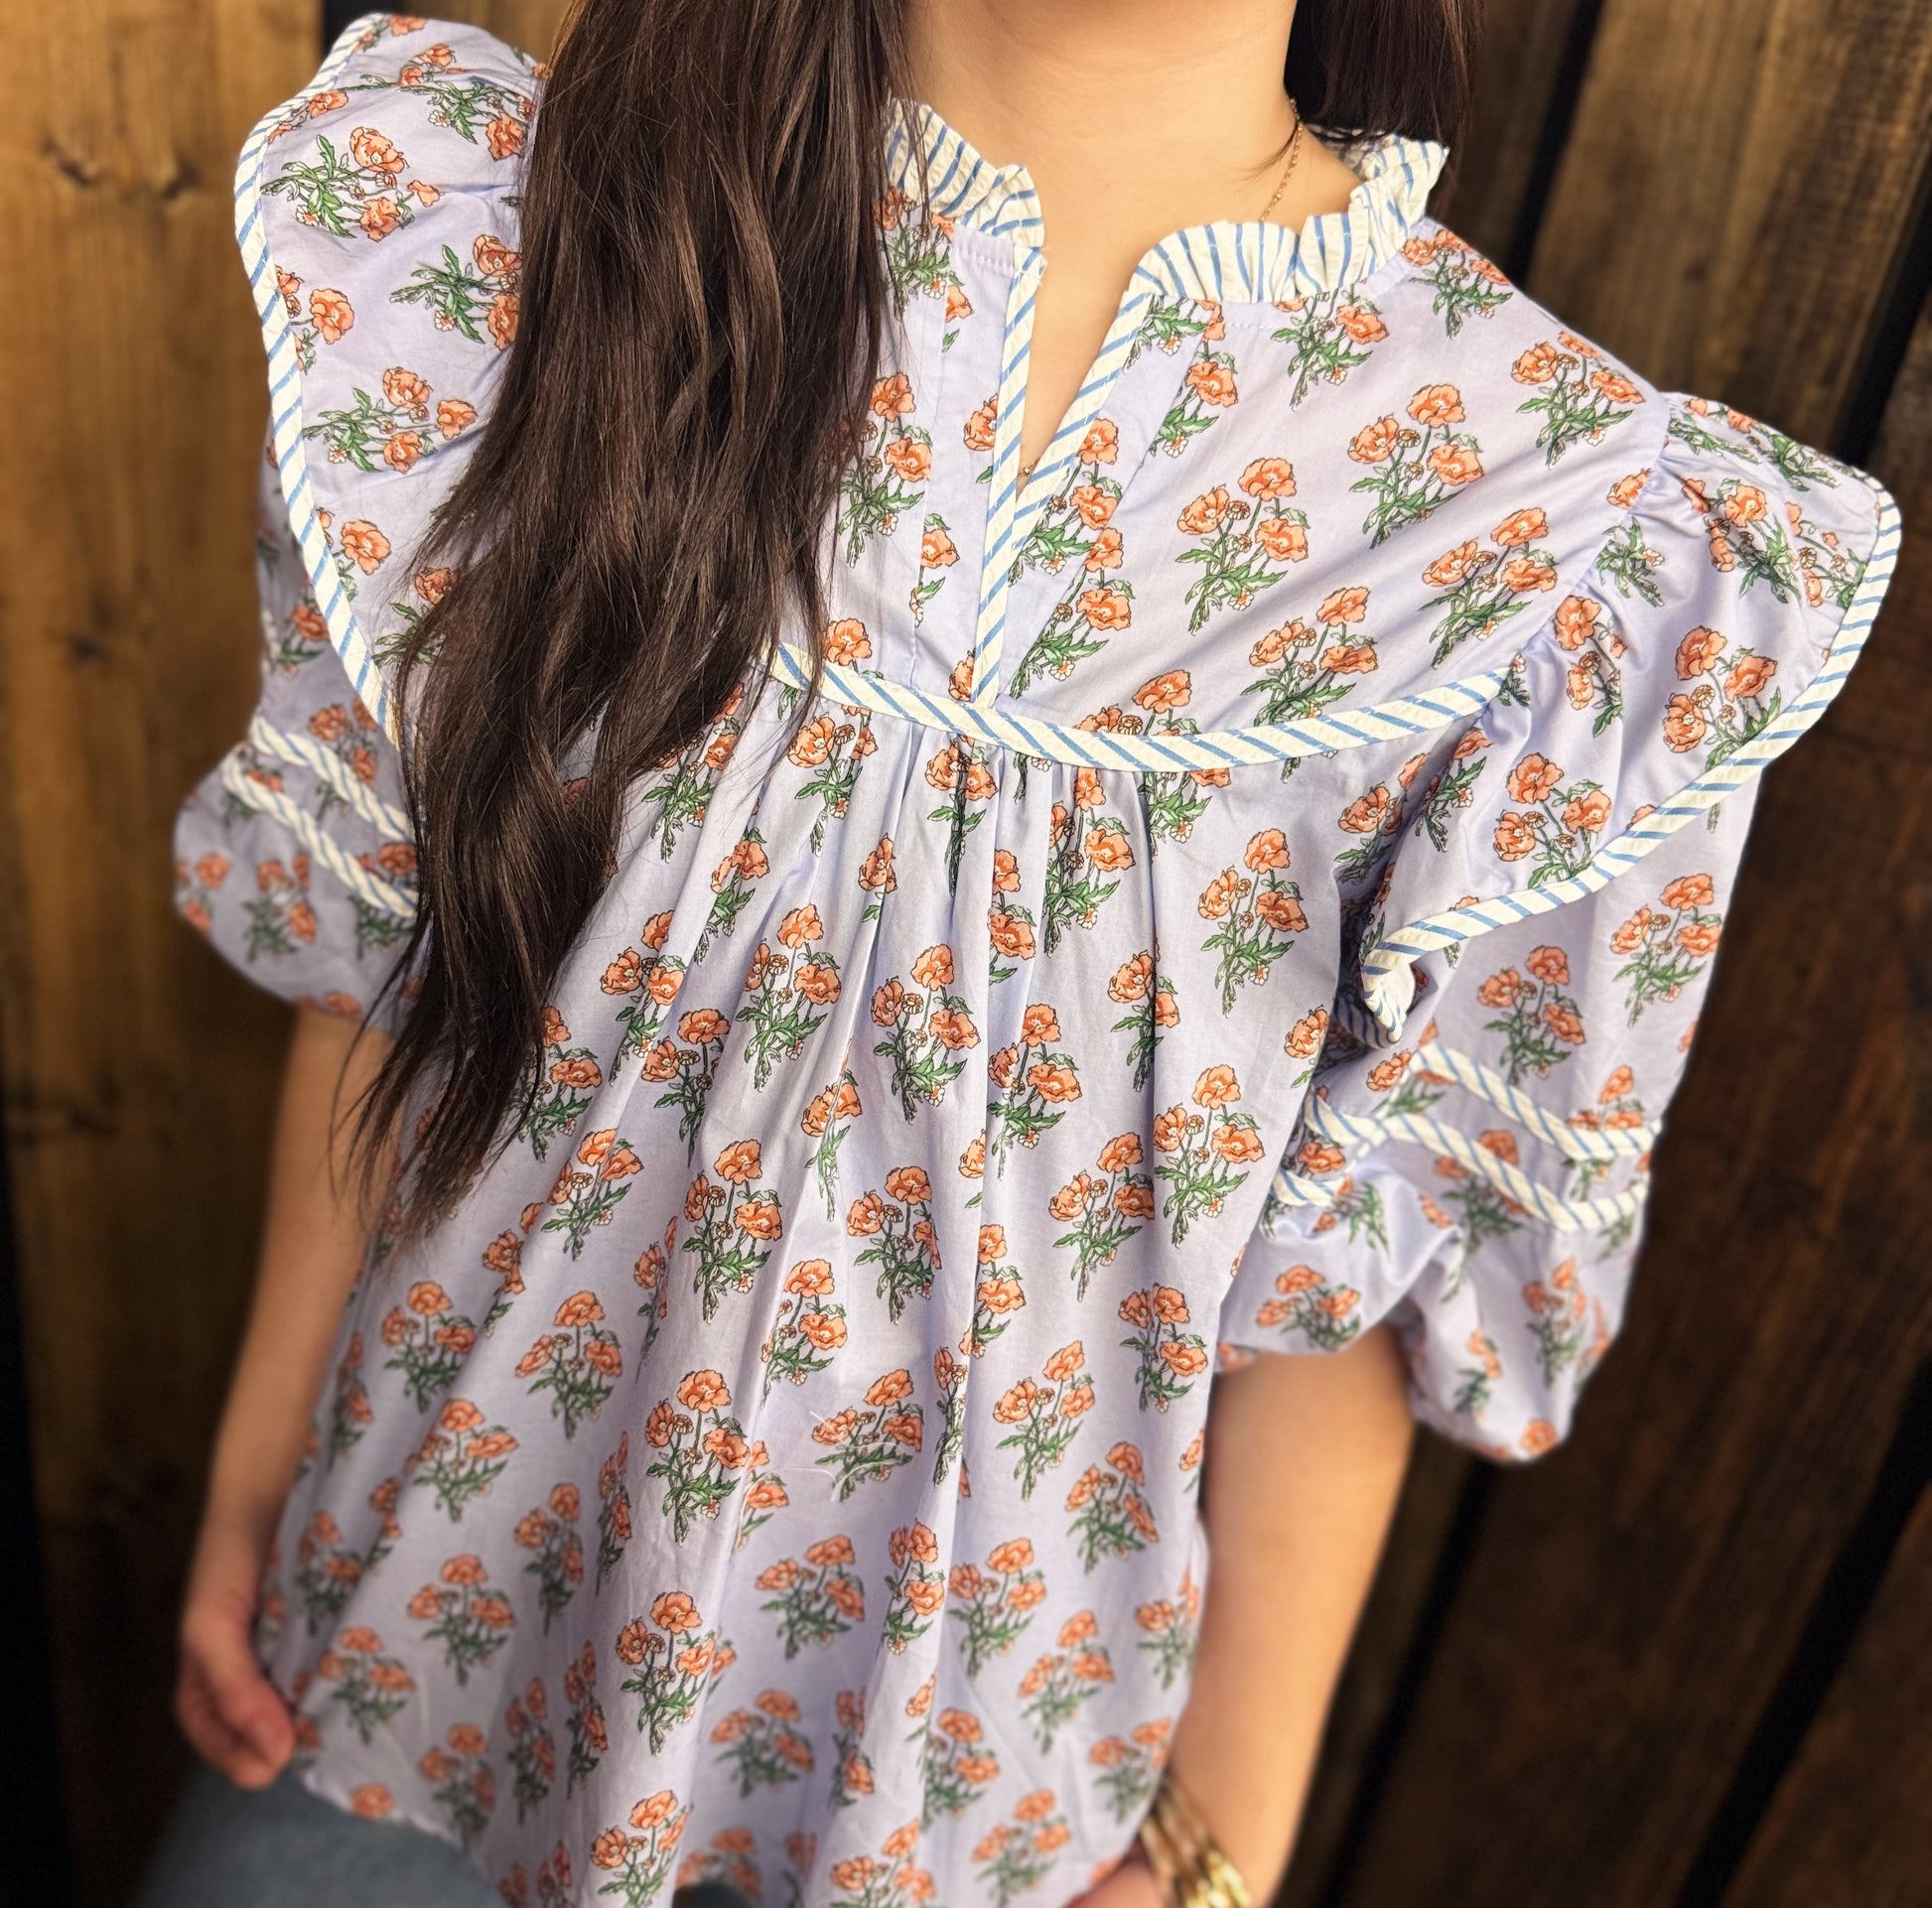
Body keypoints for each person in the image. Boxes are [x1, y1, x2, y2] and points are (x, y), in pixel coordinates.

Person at [140, 2, 1900, 1905]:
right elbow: (386, 944)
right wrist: (263, 1458)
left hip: (955, 1792)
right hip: (409, 1632)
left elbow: (1356, 1271)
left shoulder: (1559, 545)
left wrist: (1218, 1843)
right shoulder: (512, 242)